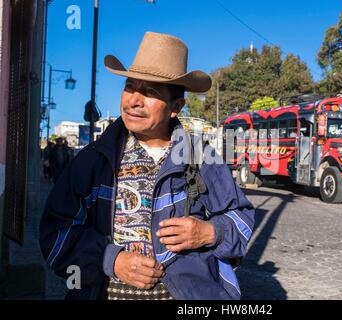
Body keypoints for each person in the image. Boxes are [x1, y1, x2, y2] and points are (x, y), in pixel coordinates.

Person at [40, 32, 255, 300]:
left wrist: (210, 232)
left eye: (151, 91)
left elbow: (241, 217)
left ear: (175, 106)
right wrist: (112, 261)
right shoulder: (92, 160)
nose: (133, 100)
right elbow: (55, 234)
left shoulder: (201, 157)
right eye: (130, 86)